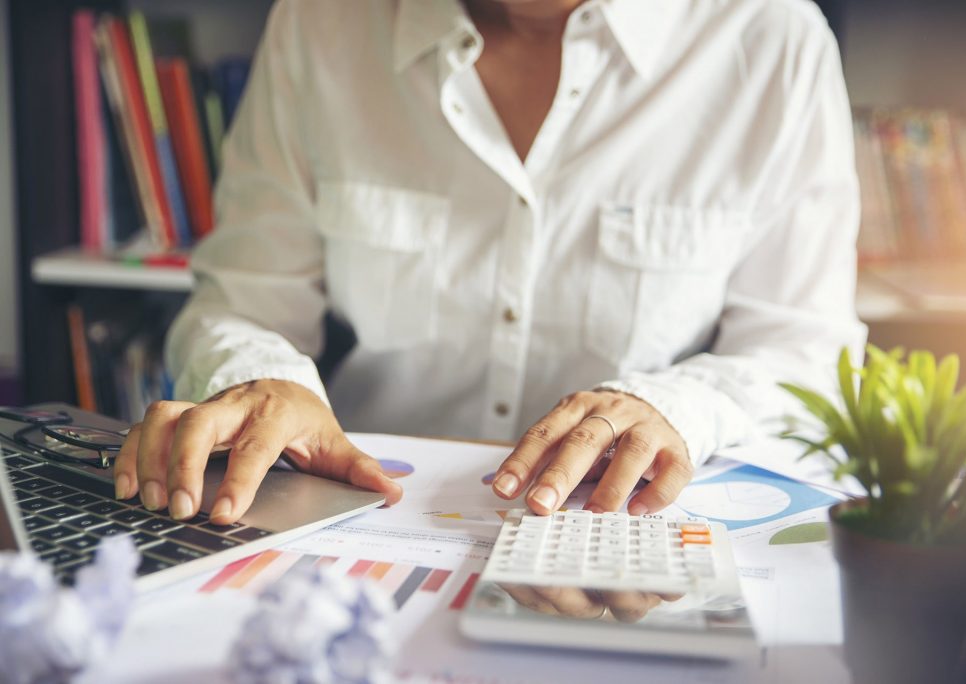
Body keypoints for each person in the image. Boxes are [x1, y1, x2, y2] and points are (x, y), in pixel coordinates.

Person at [113, 0, 865, 526]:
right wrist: (261, 378)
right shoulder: (321, 22)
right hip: (363, 512)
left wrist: (673, 408)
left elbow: (803, 352)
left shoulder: (774, 41)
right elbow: (242, 300)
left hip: (618, 524)